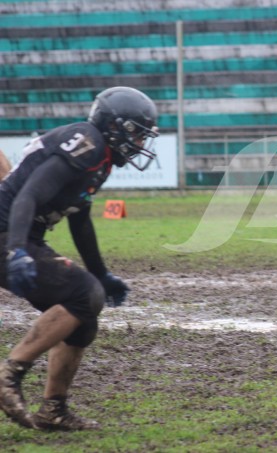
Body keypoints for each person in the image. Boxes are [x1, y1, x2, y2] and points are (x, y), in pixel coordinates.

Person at [0, 86, 159, 430]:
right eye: (135, 133)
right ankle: (9, 374)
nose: (141, 144)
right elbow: (28, 194)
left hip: (20, 234)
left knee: (83, 318)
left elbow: (80, 219)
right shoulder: (87, 140)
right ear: (113, 126)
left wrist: (102, 273)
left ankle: (53, 409)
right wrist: (15, 248)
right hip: (9, 231)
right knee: (83, 294)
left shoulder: (100, 160)